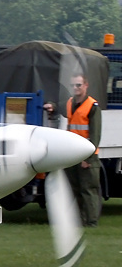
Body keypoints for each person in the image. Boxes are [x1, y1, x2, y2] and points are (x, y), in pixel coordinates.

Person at [43, 74, 102, 227]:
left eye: (78, 85)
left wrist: (87, 159)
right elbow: (59, 105)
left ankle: (91, 222)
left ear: (86, 85)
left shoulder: (92, 106)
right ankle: (78, 221)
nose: (76, 88)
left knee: (88, 190)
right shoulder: (70, 102)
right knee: (74, 189)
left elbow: (95, 135)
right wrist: (51, 106)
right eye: (73, 85)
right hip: (73, 155)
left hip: (87, 157)